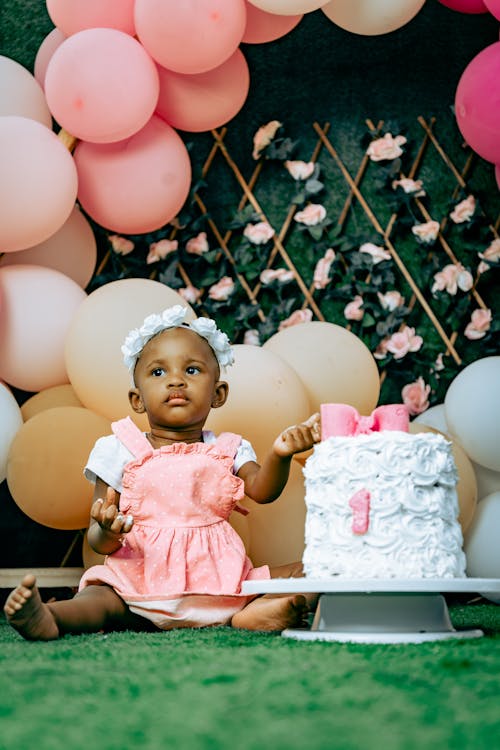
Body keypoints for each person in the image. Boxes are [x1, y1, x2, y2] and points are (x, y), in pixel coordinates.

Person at [5, 305, 320, 640]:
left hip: (222, 584)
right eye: (158, 373)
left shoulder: (230, 448)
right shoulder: (118, 450)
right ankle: (51, 616)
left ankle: (250, 614)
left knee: (316, 571)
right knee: (98, 599)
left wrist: (280, 454)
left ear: (218, 393)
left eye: (193, 370)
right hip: (135, 587)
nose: (175, 380)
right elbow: (98, 542)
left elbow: (262, 490)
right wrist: (108, 529)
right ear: (137, 399)